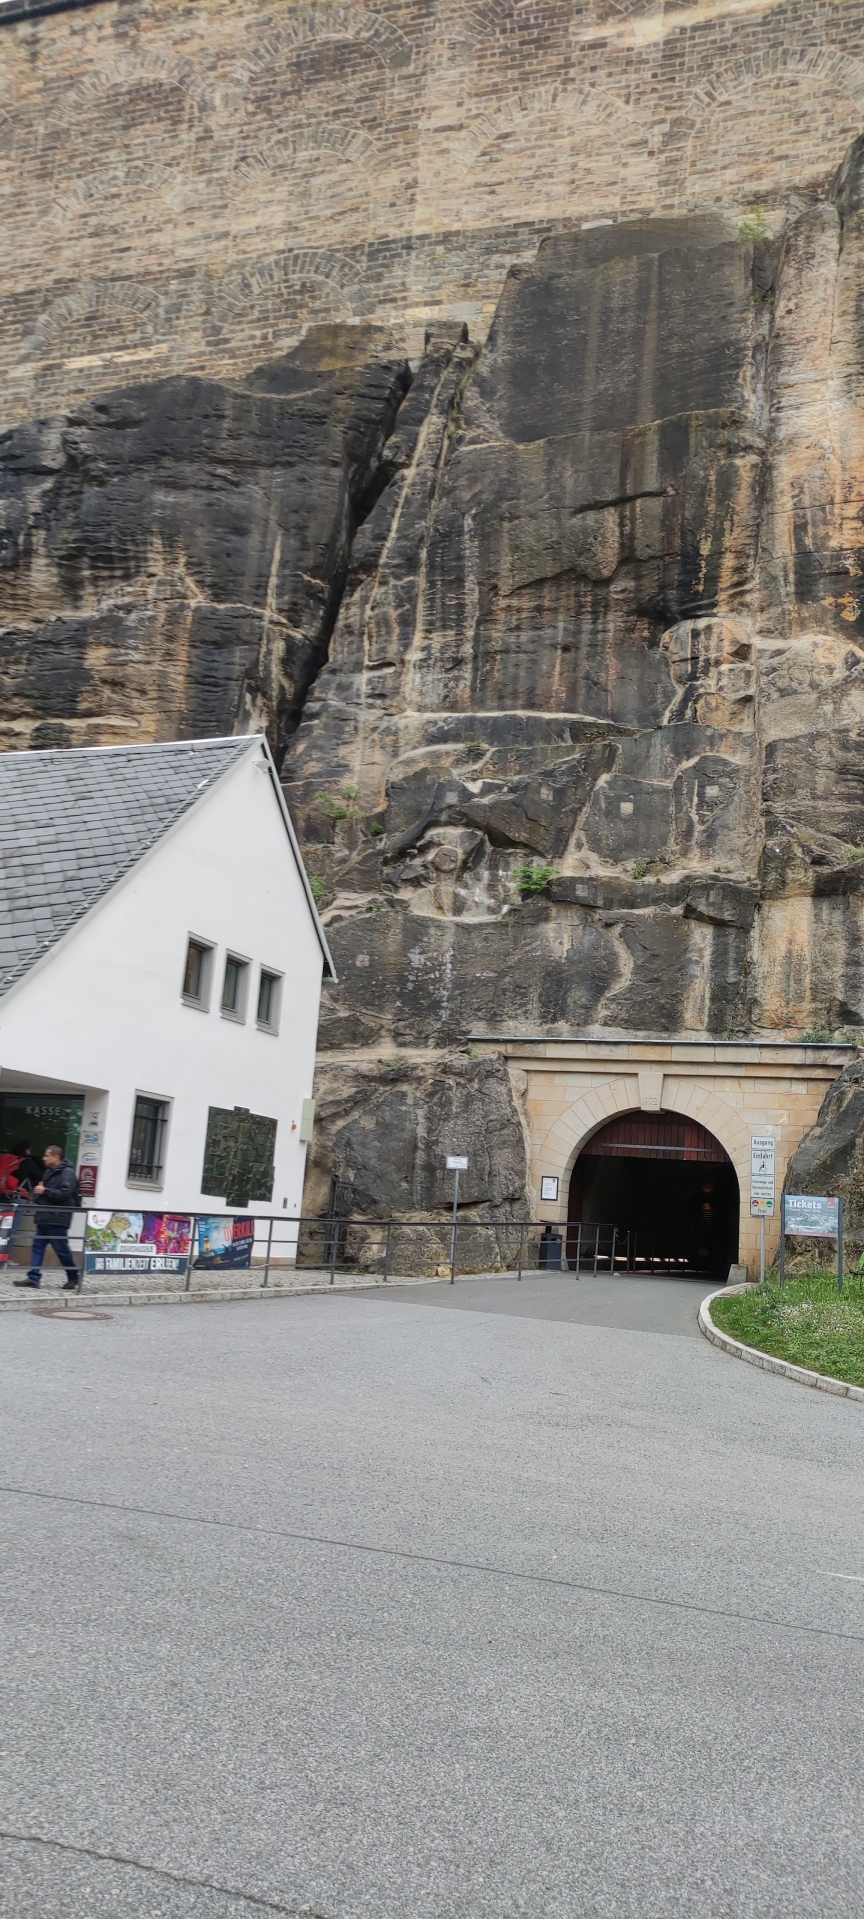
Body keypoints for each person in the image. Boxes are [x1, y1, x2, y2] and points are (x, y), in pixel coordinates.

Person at [13, 1145, 81, 1291]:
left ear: (56, 1157)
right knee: (37, 1247)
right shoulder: (48, 1172)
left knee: (61, 1250)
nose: (44, 1158)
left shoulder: (67, 1173)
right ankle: (34, 1278)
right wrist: (40, 1193)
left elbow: (64, 1195)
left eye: (47, 1155)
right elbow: (41, 1192)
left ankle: (73, 1276)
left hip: (57, 1218)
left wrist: (45, 1191)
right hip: (44, 1216)